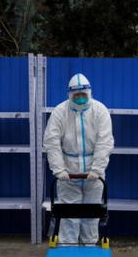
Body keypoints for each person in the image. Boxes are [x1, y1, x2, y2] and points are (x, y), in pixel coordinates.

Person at [43, 73, 114, 245]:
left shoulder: (100, 111)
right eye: (76, 95)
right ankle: (68, 250)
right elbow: (51, 141)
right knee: (69, 216)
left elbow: (105, 141)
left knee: (92, 215)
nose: (80, 98)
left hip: (93, 173)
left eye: (84, 94)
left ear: (89, 93)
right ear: (70, 94)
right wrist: (59, 170)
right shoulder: (60, 112)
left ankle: (89, 248)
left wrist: (97, 169)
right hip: (68, 172)